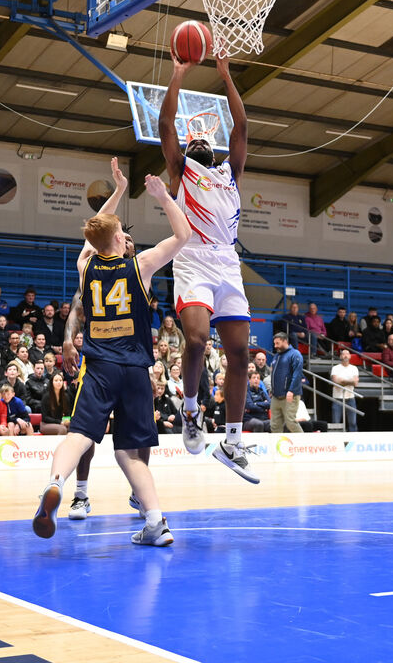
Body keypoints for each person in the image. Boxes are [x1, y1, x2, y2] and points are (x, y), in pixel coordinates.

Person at [32, 170, 189, 546]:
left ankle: (55, 485)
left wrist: (118, 191)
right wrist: (165, 198)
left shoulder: (85, 268)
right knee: (129, 454)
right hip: (135, 369)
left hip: (99, 367)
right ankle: (155, 523)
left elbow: (95, 234)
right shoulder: (142, 265)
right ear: (120, 238)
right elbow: (183, 235)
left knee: (79, 437)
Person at [156, 55, 257, 482]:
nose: (196, 144)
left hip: (228, 264)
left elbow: (242, 128)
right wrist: (177, 77)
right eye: (190, 141)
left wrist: (227, 76)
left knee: (240, 354)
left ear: (211, 151)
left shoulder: (229, 172)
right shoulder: (182, 173)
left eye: (202, 143)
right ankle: (192, 411)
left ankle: (232, 441)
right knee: (196, 340)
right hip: (193, 260)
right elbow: (165, 128)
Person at [270, 332, 304, 434]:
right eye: (275, 343)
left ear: (285, 341)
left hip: (290, 395)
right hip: (276, 396)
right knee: (274, 425)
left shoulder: (295, 354)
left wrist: (291, 390)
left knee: (291, 422)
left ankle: (304, 443)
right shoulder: (277, 356)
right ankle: (276, 448)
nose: (275, 346)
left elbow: (297, 374)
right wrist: (272, 389)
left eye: (278, 343)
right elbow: (274, 374)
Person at [329, 348, 360, 432]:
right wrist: (350, 381)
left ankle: (353, 442)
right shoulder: (335, 368)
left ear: (350, 356)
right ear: (340, 356)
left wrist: (342, 381)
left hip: (350, 398)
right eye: (343, 354)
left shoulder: (354, 368)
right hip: (337, 398)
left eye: (347, 354)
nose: (345, 355)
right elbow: (335, 381)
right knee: (336, 422)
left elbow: (356, 383)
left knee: (353, 423)